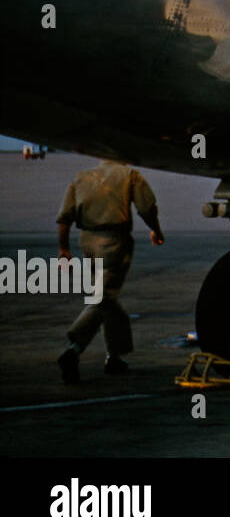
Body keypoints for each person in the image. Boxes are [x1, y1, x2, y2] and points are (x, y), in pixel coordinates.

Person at [55, 159, 165, 383]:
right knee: (103, 298)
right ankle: (74, 348)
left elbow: (65, 216)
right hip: (114, 241)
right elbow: (146, 207)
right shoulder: (129, 175)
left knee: (108, 298)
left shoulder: (82, 176)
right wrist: (156, 229)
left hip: (87, 240)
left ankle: (114, 356)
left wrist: (64, 248)